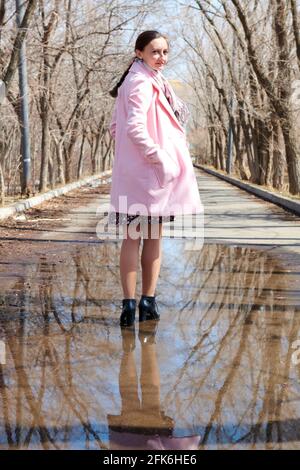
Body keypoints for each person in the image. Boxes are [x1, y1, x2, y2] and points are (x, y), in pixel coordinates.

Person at [108, 30, 203, 327]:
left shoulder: (145, 80)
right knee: (140, 237)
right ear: (139, 53)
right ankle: (139, 303)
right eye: (154, 52)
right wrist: (159, 157)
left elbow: (115, 127)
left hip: (140, 174)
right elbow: (133, 128)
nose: (161, 58)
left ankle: (140, 303)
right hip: (148, 175)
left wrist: (131, 157)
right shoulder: (140, 82)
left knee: (144, 237)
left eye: (164, 52)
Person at [107, 322, 201, 450]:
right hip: (127, 441)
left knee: (151, 394)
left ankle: (136, 313)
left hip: (156, 438)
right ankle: (139, 331)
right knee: (130, 397)